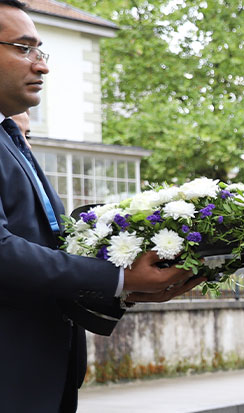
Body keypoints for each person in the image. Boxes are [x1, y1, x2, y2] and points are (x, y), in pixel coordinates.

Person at [0, 2, 199, 410]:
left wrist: (132, 284)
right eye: (23, 48)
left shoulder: (10, 135)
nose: (41, 66)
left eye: (41, 51)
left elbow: (54, 243)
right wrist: (120, 278)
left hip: (44, 376)